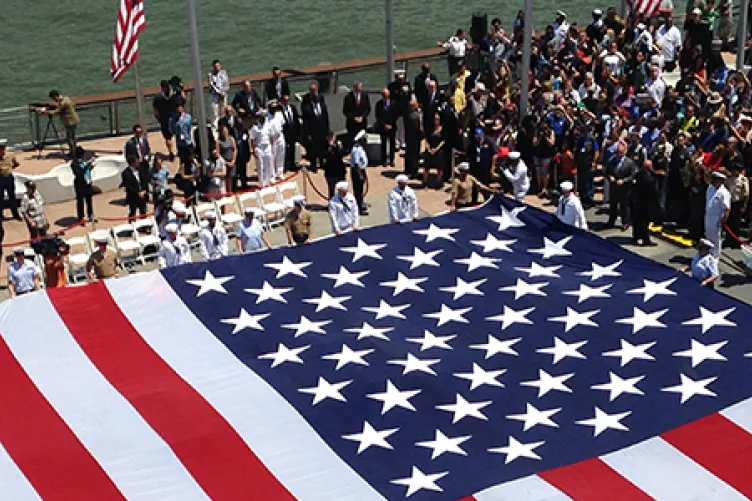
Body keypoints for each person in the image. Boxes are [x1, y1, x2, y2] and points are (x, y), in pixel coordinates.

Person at [606, 142, 638, 230]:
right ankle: (611, 221)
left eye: (620, 152)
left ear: (624, 152)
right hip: (614, 186)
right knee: (613, 205)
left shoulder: (629, 162)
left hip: (624, 188)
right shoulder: (612, 160)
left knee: (624, 206)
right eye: (617, 152)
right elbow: (606, 171)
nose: (618, 154)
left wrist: (624, 180)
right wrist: (610, 177)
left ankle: (625, 222)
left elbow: (633, 175)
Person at [38, 90, 80, 156]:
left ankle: (73, 153)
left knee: (70, 138)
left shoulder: (63, 103)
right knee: (72, 137)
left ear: (55, 96)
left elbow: (56, 112)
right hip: (73, 120)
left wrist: (44, 112)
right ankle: (73, 151)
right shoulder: (66, 98)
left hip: (70, 121)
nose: (54, 100)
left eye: (53, 99)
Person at [301, 82, 330, 171]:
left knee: (322, 146)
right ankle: (313, 164)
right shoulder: (306, 101)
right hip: (312, 128)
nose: (314, 92)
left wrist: (327, 129)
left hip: (321, 127)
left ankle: (321, 162)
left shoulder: (321, 99)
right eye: (312, 90)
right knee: (313, 147)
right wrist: (308, 133)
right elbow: (305, 118)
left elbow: (325, 115)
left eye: (315, 90)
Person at [631, 160, 660, 246]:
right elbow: (654, 191)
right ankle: (645, 239)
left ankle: (636, 237)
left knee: (638, 220)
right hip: (647, 202)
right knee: (644, 222)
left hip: (638, 201)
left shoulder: (638, 174)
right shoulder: (649, 178)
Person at [704, 170, 731, 258]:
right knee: (708, 236)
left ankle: (715, 257)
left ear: (721, 181)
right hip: (708, 216)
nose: (714, 181)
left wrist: (723, 221)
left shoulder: (724, 193)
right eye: (713, 179)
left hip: (716, 218)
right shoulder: (710, 188)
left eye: (716, 179)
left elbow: (727, 209)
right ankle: (708, 254)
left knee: (716, 239)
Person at [724, 163, 749, 249]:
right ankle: (728, 240)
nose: (734, 172)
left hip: (738, 203)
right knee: (728, 221)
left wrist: (744, 206)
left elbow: (746, 194)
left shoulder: (743, 179)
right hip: (730, 202)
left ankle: (735, 242)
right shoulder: (729, 179)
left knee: (736, 223)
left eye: (736, 170)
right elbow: (725, 188)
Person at [152, 80, 178, 160]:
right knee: (178, 135)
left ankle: (171, 153)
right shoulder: (173, 95)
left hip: (164, 119)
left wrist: (158, 118)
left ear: (161, 87)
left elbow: (155, 110)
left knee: (167, 138)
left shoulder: (157, 97)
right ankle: (180, 150)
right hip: (174, 118)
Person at [388, 69, 412, 149]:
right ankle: (397, 142)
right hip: (396, 109)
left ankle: (402, 141)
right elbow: (392, 97)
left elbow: (409, 95)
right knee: (396, 126)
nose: (401, 80)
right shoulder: (391, 86)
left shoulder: (407, 84)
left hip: (405, 108)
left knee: (403, 126)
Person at [342, 81, 371, 149]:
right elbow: (345, 111)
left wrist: (362, 116)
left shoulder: (365, 96)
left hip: (362, 123)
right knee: (352, 140)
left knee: (362, 140)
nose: (359, 89)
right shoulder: (348, 97)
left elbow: (368, 109)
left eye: (360, 87)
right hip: (352, 123)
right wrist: (354, 118)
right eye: (357, 87)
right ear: (354, 87)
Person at [250, 109, 275, 187]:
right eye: (261, 117)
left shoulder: (268, 126)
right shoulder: (255, 128)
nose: (263, 119)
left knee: (268, 164)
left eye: (264, 117)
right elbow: (252, 140)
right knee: (260, 166)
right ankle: (261, 183)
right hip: (259, 148)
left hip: (267, 147)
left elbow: (271, 137)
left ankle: (267, 182)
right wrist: (253, 151)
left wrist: (271, 147)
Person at [169, 100, 195, 174]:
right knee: (183, 160)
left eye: (180, 107)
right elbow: (171, 130)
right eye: (177, 108)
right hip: (180, 144)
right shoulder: (172, 119)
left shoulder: (188, 117)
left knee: (191, 159)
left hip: (188, 142)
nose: (179, 109)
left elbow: (189, 128)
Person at [71, 146, 95, 222]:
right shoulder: (74, 164)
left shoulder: (84, 161)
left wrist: (90, 167)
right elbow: (78, 173)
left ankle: (90, 215)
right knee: (80, 201)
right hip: (79, 184)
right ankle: (81, 218)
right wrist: (86, 166)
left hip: (87, 182)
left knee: (89, 200)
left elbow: (88, 170)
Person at [375, 88, 398, 167]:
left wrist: (390, 124)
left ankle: (392, 160)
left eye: (386, 94)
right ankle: (384, 160)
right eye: (383, 94)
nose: (385, 96)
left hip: (392, 126)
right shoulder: (379, 104)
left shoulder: (394, 103)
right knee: (383, 144)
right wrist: (384, 125)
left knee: (392, 144)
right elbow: (378, 116)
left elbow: (395, 115)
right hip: (383, 127)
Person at [0, 139, 22, 220]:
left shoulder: (10, 155)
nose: (1, 150)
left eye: (2, 148)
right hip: (0, 178)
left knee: (12, 197)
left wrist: (10, 169)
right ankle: (1, 215)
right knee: (0, 198)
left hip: (9, 177)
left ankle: (15, 214)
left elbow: (16, 164)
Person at [122, 155, 148, 219]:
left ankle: (144, 226)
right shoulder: (125, 173)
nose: (138, 162)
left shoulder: (141, 169)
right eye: (137, 161)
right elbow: (128, 186)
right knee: (133, 212)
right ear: (132, 163)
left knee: (143, 212)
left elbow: (144, 180)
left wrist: (144, 190)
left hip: (142, 195)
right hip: (133, 197)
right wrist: (137, 193)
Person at [422, 113, 445, 186]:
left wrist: (437, 148)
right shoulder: (430, 128)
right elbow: (426, 138)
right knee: (426, 167)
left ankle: (438, 181)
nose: (436, 120)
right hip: (430, 148)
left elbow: (443, 140)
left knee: (440, 167)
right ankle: (425, 182)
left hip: (439, 149)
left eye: (437, 119)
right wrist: (428, 148)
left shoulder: (443, 128)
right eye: (435, 119)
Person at [280, 94, 301, 172]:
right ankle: (284, 165)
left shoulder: (292, 107)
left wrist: (298, 130)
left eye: (287, 101)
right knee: (284, 149)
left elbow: (296, 118)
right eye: (285, 101)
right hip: (284, 131)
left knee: (292, 148)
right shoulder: (280, 109)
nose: (286, 102)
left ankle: (292, 164)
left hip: (293, 131)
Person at [350, 130, 369, 214]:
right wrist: (360, 175)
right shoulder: (356, 149)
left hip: (361, 170)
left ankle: (361, 203)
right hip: (357, 171)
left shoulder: (360, 148)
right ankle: (358, 208)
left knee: (361, 189)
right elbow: (356, 164)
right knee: (358, 190)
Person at [323, 131, 347, 199]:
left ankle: (343, 202)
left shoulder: (338, 144)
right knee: (331, 189)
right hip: (330, 171)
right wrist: (329, 148)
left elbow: (343, 153)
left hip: (339, 170)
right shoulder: (325, 145)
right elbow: (323, 155)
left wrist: (340, 147)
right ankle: (332, 204)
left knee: (342, 188)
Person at [208, 59, 230, 130]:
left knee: (223, 112)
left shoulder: (224, 73)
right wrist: (219, 93)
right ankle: (215, 128)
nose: (217, 68)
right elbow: (212, 85)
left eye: (218, 66)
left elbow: (226, 84)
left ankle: (223, 127)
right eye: (215, 67)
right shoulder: (210, 75)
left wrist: (223, 93)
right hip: (214, 96)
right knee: (215, 113)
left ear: (220, 66)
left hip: (223, 95)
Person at [404, 98, 423, 179]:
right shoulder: (415, 116)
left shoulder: (407, 114)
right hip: (415, 138)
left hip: (408, 137)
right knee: (415, 155)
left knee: (408, 154)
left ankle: (408, 170)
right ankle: (414, 172)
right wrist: (422, 135)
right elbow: (417, 128)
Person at [217, 123, 237, 194]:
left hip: (232, 160)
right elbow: (218, 153)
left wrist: (233, 160)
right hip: (224, 162)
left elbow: (234, 149)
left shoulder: (231, 139)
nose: (225, 133)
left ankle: (230, 191)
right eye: (223, 132)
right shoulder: (219, 141)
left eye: (226, 131)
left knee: (231, 177)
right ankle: (226, 192)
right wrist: (225, 162)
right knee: (225, 178)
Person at [268, 101, 286, 181]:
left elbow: (282, 124)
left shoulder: (279, 114)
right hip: (271, 138)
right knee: (272, 157)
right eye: (272, 108)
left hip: (280, 136)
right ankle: (272, 175)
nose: (274, 109)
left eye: (275, 108)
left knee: (281, 155)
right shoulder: (267, 117)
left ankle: (280, 173)